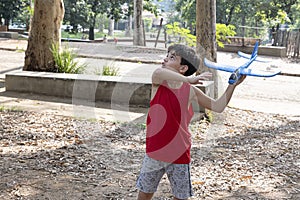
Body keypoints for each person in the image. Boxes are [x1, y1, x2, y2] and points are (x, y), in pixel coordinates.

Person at [136, 44, 246, 200]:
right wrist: (188, 79)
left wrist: (232, 86)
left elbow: (218, 106)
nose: (165, 58)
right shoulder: (159, 82)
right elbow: (159, 72)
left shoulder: (191, 91)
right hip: (155, 152)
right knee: (145, 193)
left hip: (179, 153)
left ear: (183, 68)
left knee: (181, 196)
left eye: (172, 57)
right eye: (167, 55)